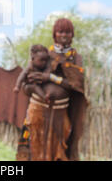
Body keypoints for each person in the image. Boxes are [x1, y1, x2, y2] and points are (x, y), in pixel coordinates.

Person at [17, 18, 88, 161]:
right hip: (37, 110)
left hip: (60, 114)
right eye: (61, 31)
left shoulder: (76, 58)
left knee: (60, 152)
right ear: (55, 34)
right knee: (33, 149)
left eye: (68, 32)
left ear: (72, 35)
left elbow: (76, 85)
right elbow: (27, 81)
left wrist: (50, 77)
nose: (64, 35)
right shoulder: (44, 55)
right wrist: (29, 87)